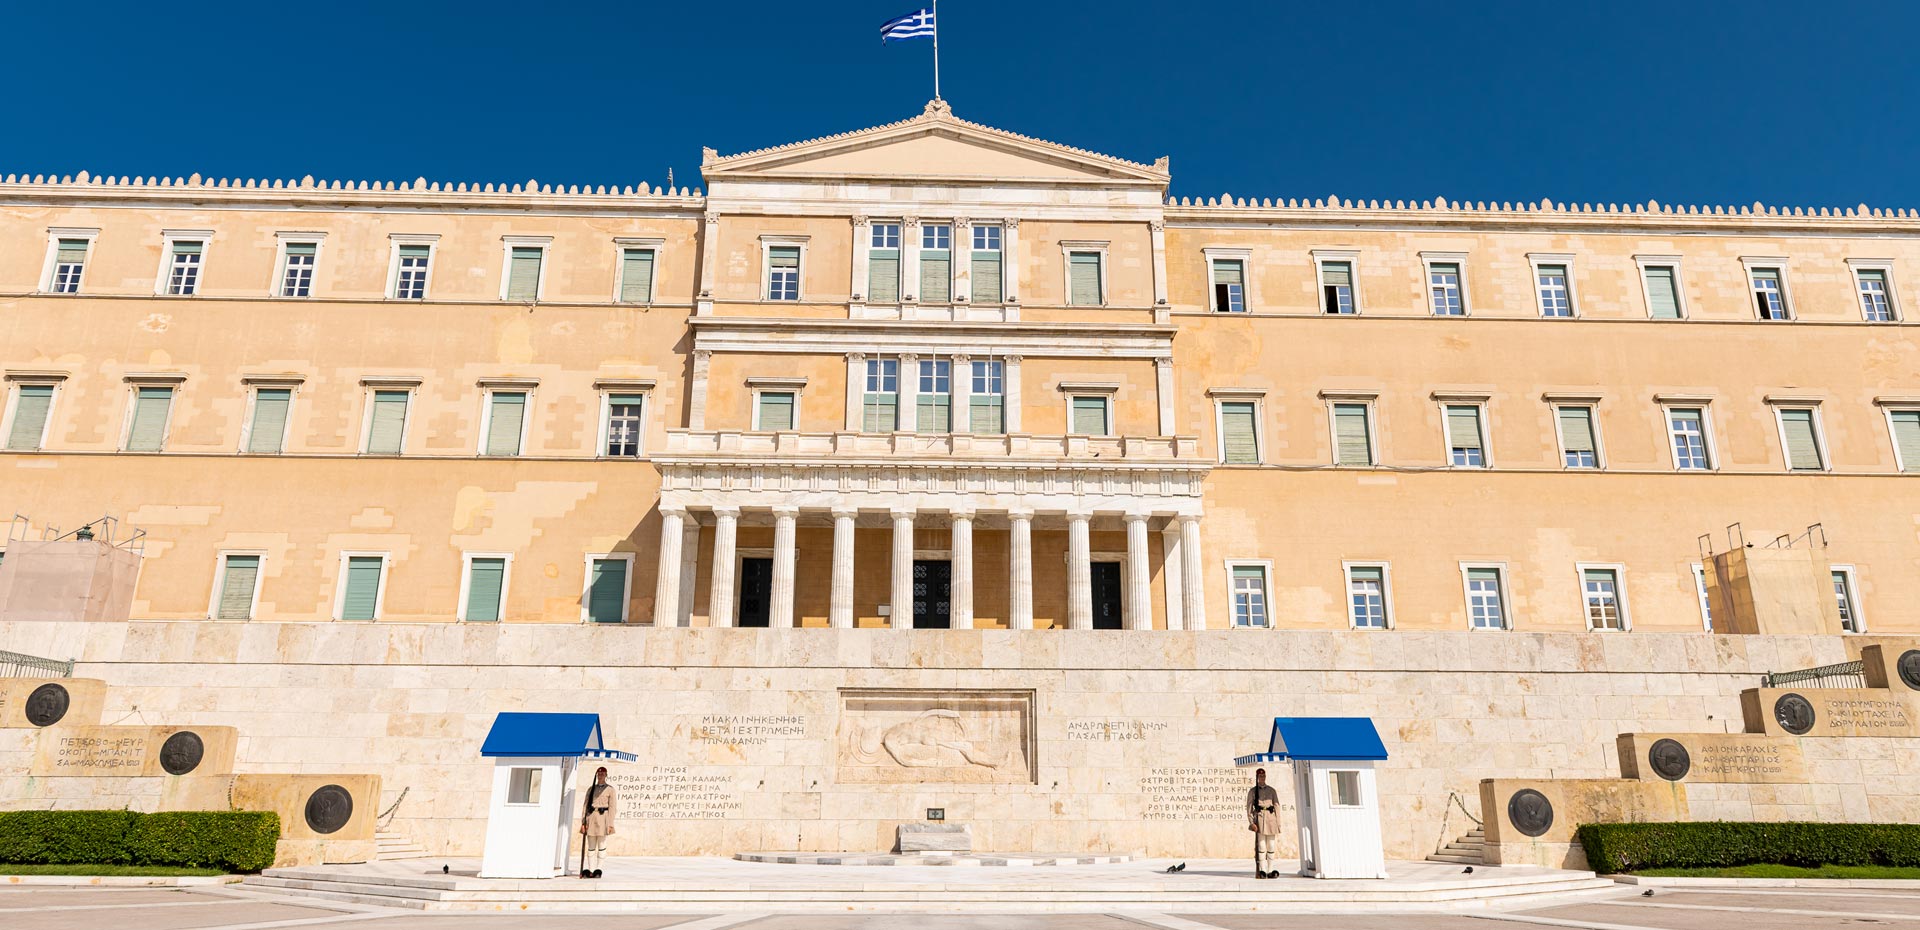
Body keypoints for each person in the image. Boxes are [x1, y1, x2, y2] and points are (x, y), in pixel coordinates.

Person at [579, 766, 616, 878]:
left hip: (603, 817)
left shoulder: (610, 790)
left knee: (602, 845)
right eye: (599, 774)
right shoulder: (591, 789)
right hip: (591, 817)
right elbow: (585, 806)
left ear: (606, 775)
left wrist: (610, 824)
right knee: (591, 846)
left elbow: (612, 807)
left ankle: (598, 869)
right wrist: (583, 822)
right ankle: (591, 869)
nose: (600, 776)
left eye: (603, 774)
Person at [1246, 767, 1282, 879]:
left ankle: (1270, 869)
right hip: (1260, 820)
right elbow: (1249, 808)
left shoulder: (1272, 790)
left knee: (1271, 846)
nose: (1262, 778)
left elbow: (1277, 806)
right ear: (1257, 778)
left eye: (1263, 776)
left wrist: (1278, 823)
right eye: (1260, 776)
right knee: (1261, 847)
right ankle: (1262, 869)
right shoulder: (1253, 791)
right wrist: (1251, 822)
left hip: (1271, 820)